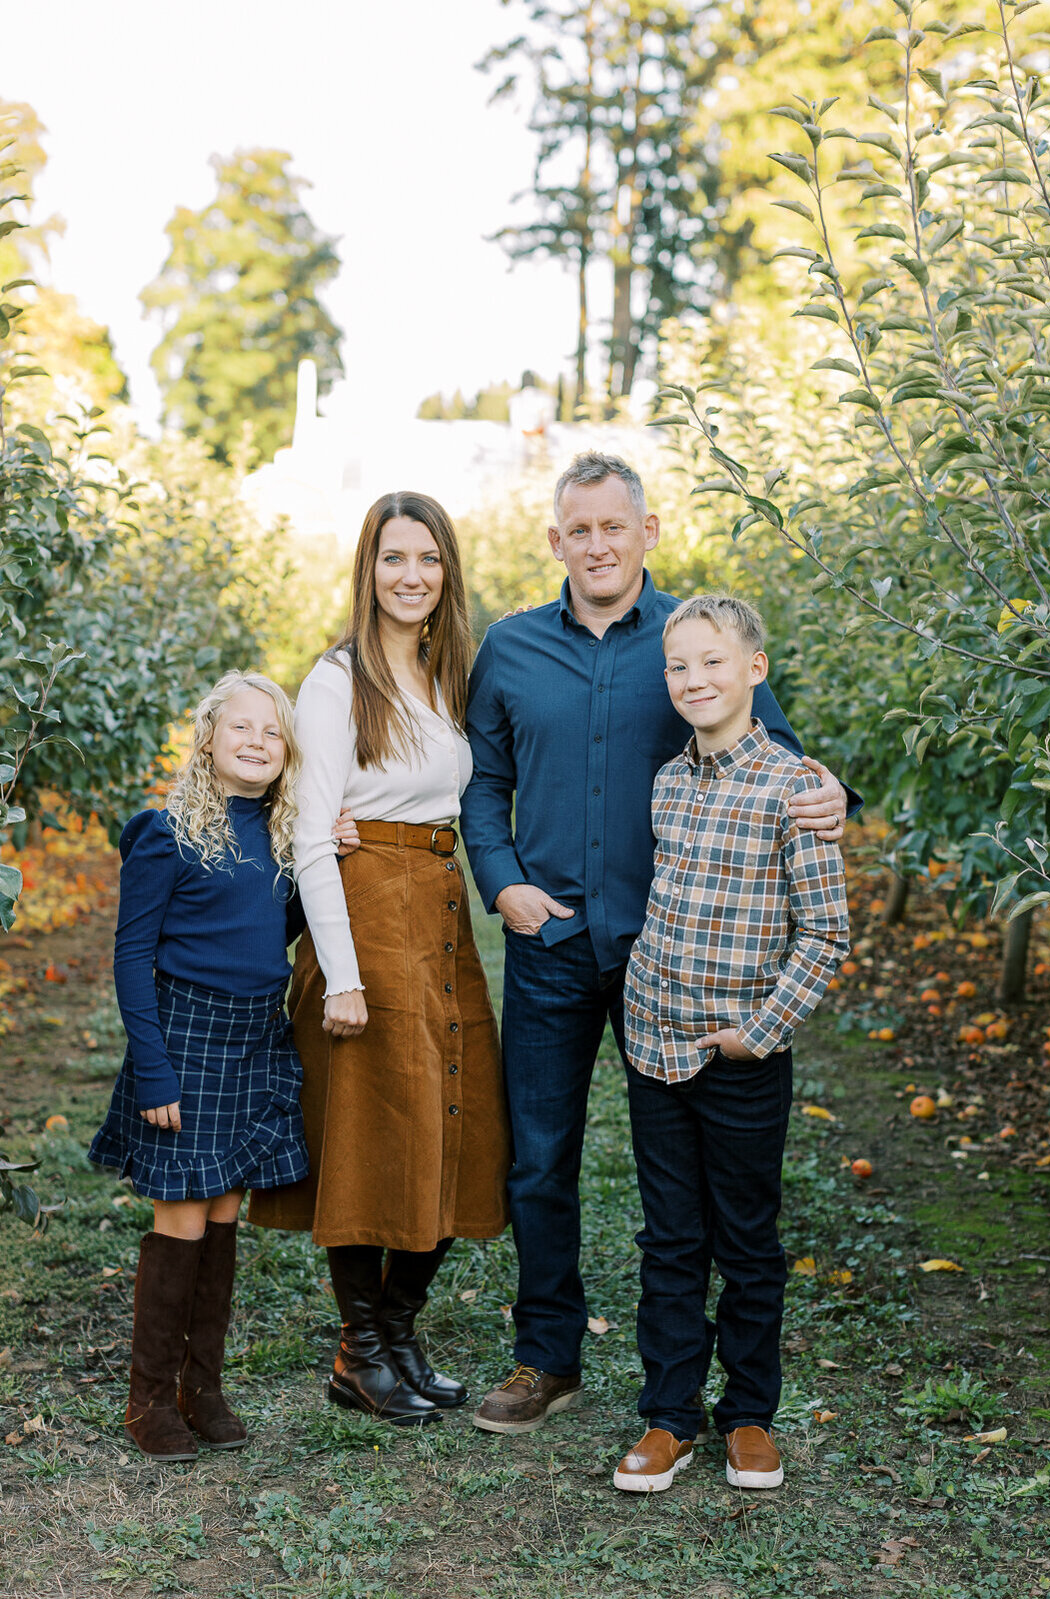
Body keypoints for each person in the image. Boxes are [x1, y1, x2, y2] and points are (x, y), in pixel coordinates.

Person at [461, 451, 858, 1434]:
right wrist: (502, 881)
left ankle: (704, 1386)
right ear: (555, 541)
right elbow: (482, 783)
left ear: (647, 531)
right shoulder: (509, 648)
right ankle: (547, 1354)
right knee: (539, 1158)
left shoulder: (694, 642)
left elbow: (782, 755)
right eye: (579, 529)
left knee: (681, 1189)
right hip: (552, 941)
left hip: (672, 962)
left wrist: (834, 793)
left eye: (614, 526)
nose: (597, 544)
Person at [249, 490, 511, 1426]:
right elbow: (314, 833)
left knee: (461, 1121)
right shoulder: (337, 680)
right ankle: (362, 1350)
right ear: (368, 570)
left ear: (448, 573)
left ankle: (397, 1332)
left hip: (438, 910)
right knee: (371, 1130)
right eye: (394, 558)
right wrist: (343, 974)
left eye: (428, 559)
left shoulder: (449, 673)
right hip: (366, 911)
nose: (412, 576)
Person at [612, 594, 849, 1495]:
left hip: (742, 1058)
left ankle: (748, 1414)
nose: (693, 679)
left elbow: (825, 933)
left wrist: (760, 1031)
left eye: (712, 661)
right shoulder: (668, 783)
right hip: (656, 1047)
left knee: (747, 1242)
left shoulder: (795, 789)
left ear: (755, 669)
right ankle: (669, 1416)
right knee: (670, 1240)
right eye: (678, 665)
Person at [89, 671, 309, 1462]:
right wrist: (153, 1070)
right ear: (209, 737)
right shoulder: (167, 833)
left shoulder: (282, 837)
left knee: (223, 1212)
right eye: (241, 726)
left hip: (255, 1037)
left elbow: (274, 925)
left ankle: (202, 1387)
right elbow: (131, 955)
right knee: (182, 1213)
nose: (257, 741)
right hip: (186, 1039)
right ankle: (148, 1398)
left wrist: (328, 851)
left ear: (288, 751)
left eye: (273, 731)